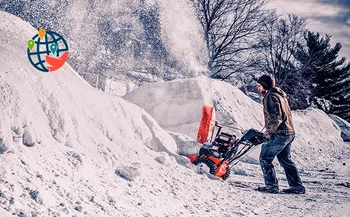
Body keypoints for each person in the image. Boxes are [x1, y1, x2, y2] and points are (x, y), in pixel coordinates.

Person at [256, 74, 305, 194]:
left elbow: (275, 116)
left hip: (281, 133)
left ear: (265, 85)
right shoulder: (280, 95)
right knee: (285, 160)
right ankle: (297, 186)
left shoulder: (271, 96)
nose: (258, 88)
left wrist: (270, 132)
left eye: (260, 85)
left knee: (265, 158)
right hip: (289, 132)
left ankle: (271, 186)